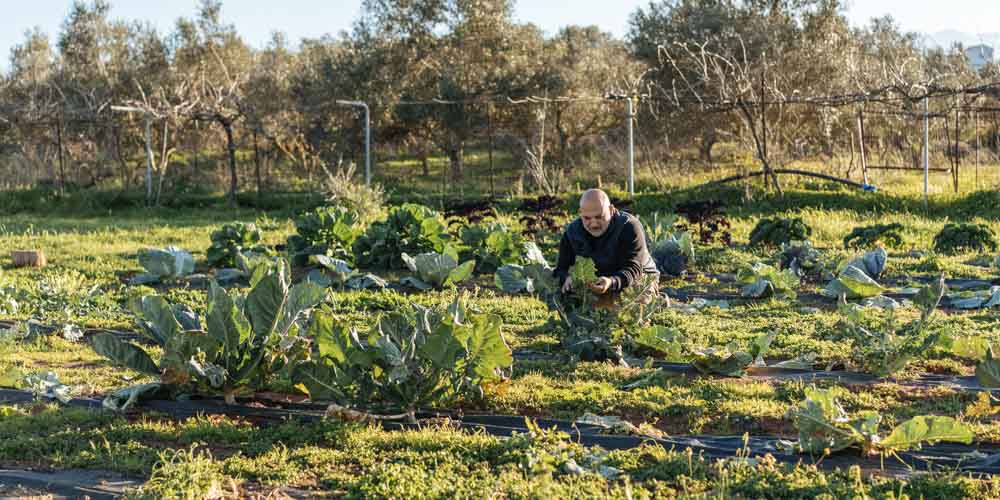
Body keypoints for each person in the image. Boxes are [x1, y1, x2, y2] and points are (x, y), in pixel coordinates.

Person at [553, 189, 659, 301]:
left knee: (632, 304)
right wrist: (566, 278)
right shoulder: (572, 232)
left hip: (637, 276)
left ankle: (659, 298)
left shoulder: (628, 226)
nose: (593, 224)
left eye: (599, 217)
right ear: (580, 213)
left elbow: (634, 268)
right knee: (568, 301)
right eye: (587, 218)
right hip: (597, 281)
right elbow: (560, 269)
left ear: (611, 210)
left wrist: (611, 282)